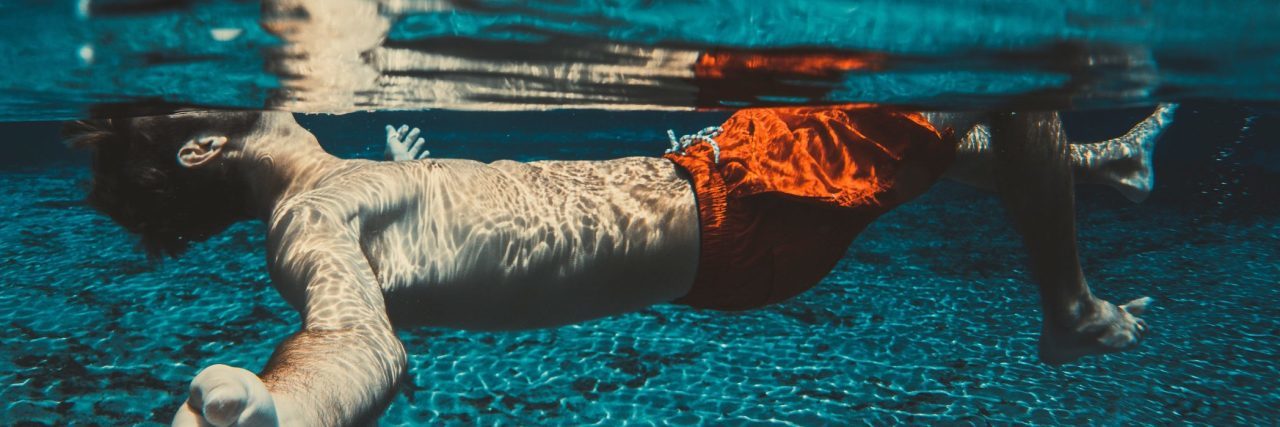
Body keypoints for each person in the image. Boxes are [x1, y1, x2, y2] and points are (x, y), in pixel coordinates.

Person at [65, 103, 1174, 426]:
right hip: (730, 202)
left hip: (725, 228)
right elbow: (354, 337)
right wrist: (284, 411)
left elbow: (370, 341)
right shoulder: (315, 214)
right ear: (200, 144)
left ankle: (1084, 163)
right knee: (1016, 77)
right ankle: (1067, 308)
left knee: (943, 123)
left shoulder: (336, 188)